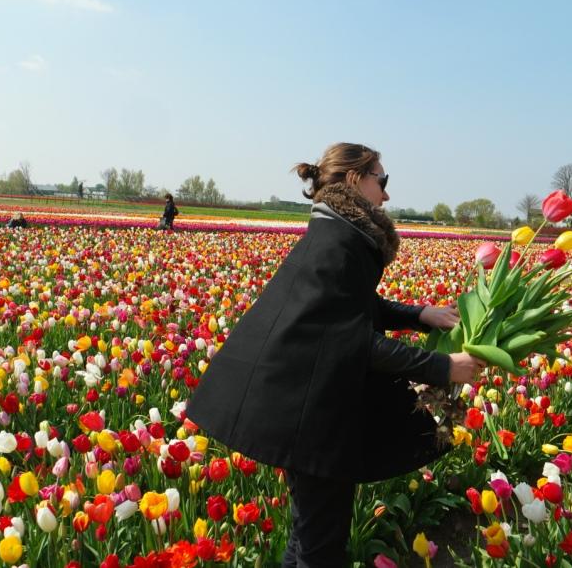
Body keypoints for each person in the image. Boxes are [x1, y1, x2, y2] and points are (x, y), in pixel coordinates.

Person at [186, 142, 486, 567]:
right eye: (382, 180)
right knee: (321, 545)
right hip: (308, 413)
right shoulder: (338, 242)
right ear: (355, 179)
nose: (386, 194)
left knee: (309, 535)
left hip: (302, 403)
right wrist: (443, 367)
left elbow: (354, 305)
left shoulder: (336, 231)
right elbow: (353, 340)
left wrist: (420, 315)